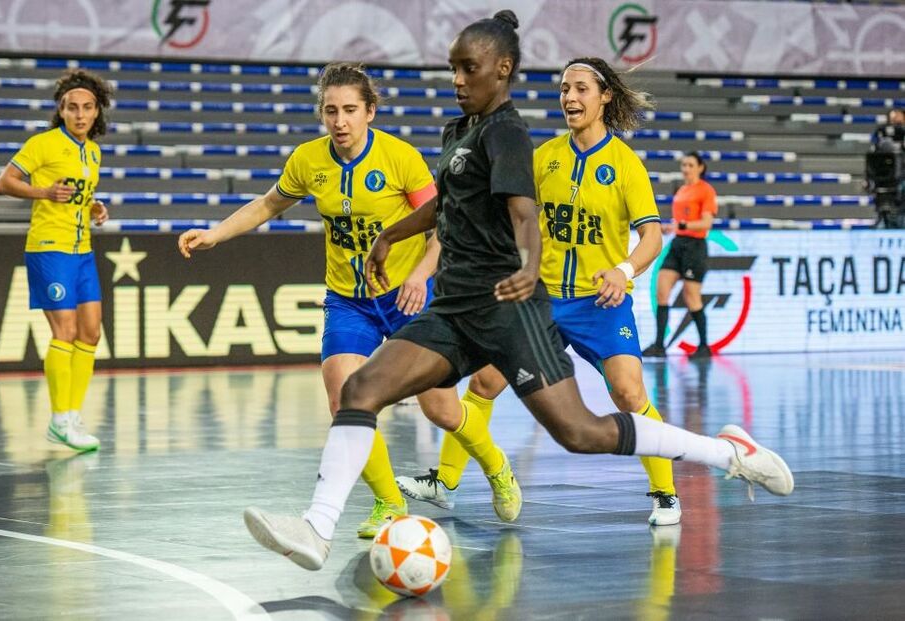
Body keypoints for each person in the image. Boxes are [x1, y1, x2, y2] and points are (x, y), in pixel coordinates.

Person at [241, 10, 793, 572]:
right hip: (455, 308)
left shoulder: (507, 131)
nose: (457, 79)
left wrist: (531, 263)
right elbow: (448, 203)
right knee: (360, 388)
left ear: (501, 71)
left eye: (468, 68)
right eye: (453, 69)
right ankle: (318, 527)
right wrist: (390, 234)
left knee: (582, 432)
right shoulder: (461, 131)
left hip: (508, 308)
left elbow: (522, 209)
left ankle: (730, 454)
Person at [178, 63, 521, 539]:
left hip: (408, 296)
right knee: (344, 395)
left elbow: (446, 221)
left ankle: (496, 464)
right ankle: (388, 502)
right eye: (331, 111)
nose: (340, 121)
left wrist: (422, 276)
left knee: (440, 409)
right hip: (349, 299)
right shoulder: (308, 160)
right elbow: (266, 205)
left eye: (350, 111)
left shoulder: (399, 159)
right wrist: (215, 235)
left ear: (370, 112)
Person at [397, 57, 683, 526]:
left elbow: (652, 236)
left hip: (600, 302)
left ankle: (665, 493)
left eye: (580, 89)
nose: (569, 97)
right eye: (564, 88)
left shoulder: (626, 165)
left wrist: (623, 270)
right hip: (541, 299)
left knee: (629, 393)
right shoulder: (543, 157)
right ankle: (445, 483)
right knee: (486, 381)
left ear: (605, 96)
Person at [0, 69, 112, 452]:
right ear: (61, 111)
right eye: (72, 107)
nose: (80, 114)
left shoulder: (92, 152)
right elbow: (5, 181)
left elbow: (79, 193)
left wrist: (93, 207)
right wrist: (42, 191)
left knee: (91, 332)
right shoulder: (43, 144)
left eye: (87, 107)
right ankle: (60, 418)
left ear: (97, 112)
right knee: (65, 331)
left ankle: (72, 415)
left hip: (82, 250)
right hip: (49, 248)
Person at [642, 152, 718, 359]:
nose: (686, 168)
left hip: (695, 245)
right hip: (678, 243)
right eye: (683, 165)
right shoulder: (682, 190)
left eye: (690, 165)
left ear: (700, 167)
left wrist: (682, 225)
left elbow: (706, 224)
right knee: (662, 291)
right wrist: (672, 228)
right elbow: (680, 222)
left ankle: (704, 346)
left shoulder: (705, 190)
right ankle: (659, 345)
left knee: (692, 297)